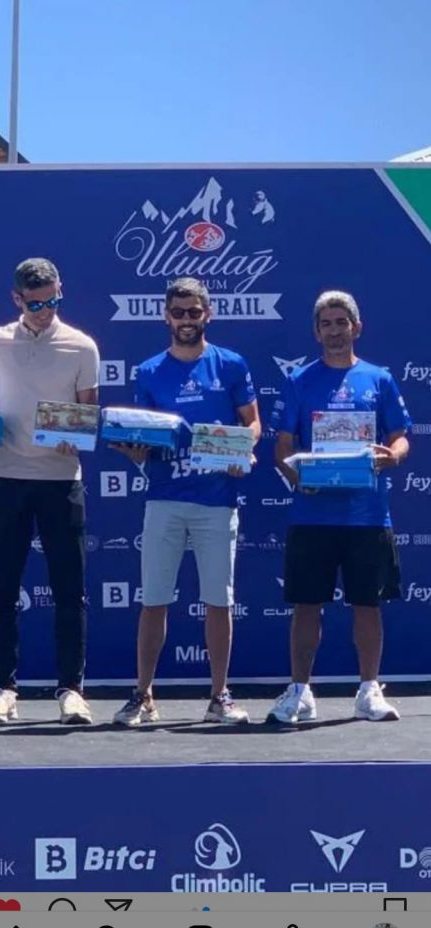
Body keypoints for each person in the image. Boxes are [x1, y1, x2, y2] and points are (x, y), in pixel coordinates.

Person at [112, 277, 261, 727]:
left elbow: (253, 424)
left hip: (217, 499)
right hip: (165, 498)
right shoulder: (148, 371)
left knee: (218, 600)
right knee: (154, 599)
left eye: (194, 312)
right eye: (178, 313)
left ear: (207, 314)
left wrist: (242, 450)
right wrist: (133, 448)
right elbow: (143, 439)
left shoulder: (230, 364)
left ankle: (219, 697)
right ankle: (143, 694)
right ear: (166, 317)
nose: (186, 320)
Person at [266, 290, 411, 725]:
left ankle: (369, 690)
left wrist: (394, 456)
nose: (334, 331)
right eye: (326, 324)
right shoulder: (299, 381)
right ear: (316, 332)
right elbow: (283, 447)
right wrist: (299, 479)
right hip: (313, 516)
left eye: (341, 323)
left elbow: (400, 436)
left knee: (368, 604)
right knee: (306, 605)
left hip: (367, 515)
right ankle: (300, 691)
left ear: (356, 328)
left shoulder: (378, 379)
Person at [0, 258, 99, 725]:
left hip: (61, 482)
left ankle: (72, 691)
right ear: (17, 299)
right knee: (3, 589)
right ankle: (3, 690)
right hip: (7, 478)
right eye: (37, 304)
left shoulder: (82, 345)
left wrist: (76, 435)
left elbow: (89, 416)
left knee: (70, 590)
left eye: (53, 301)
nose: (46, 311)